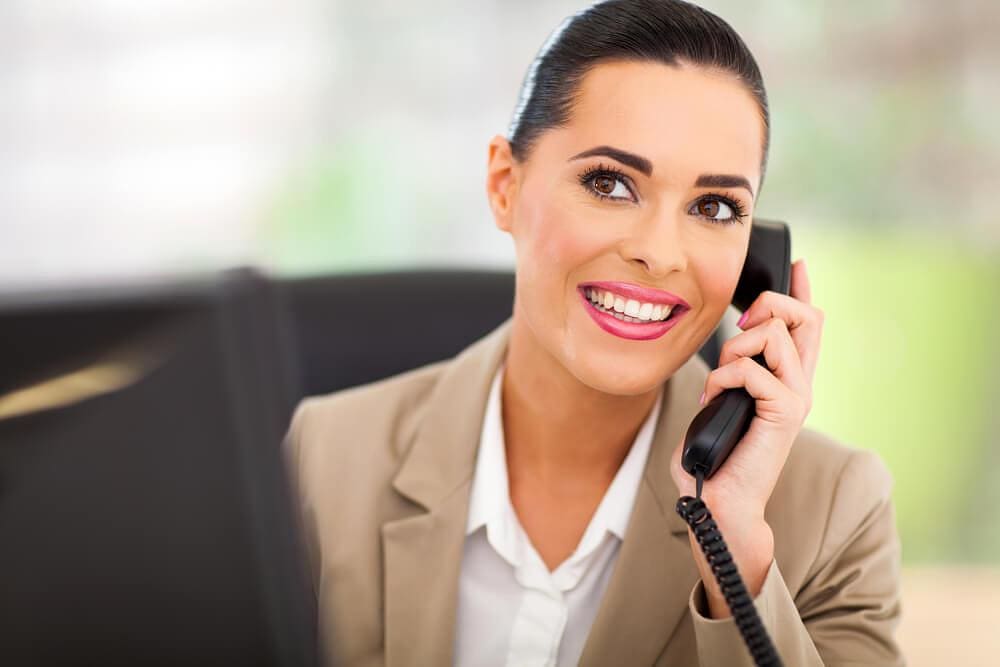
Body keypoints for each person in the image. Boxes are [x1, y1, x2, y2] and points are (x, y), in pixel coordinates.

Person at [282, 1, 904, 665]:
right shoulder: (322, 460)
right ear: (504, 185)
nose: (660, 253)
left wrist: (736, 553)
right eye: (610, 183)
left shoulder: (837, 509)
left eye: (713, 206)